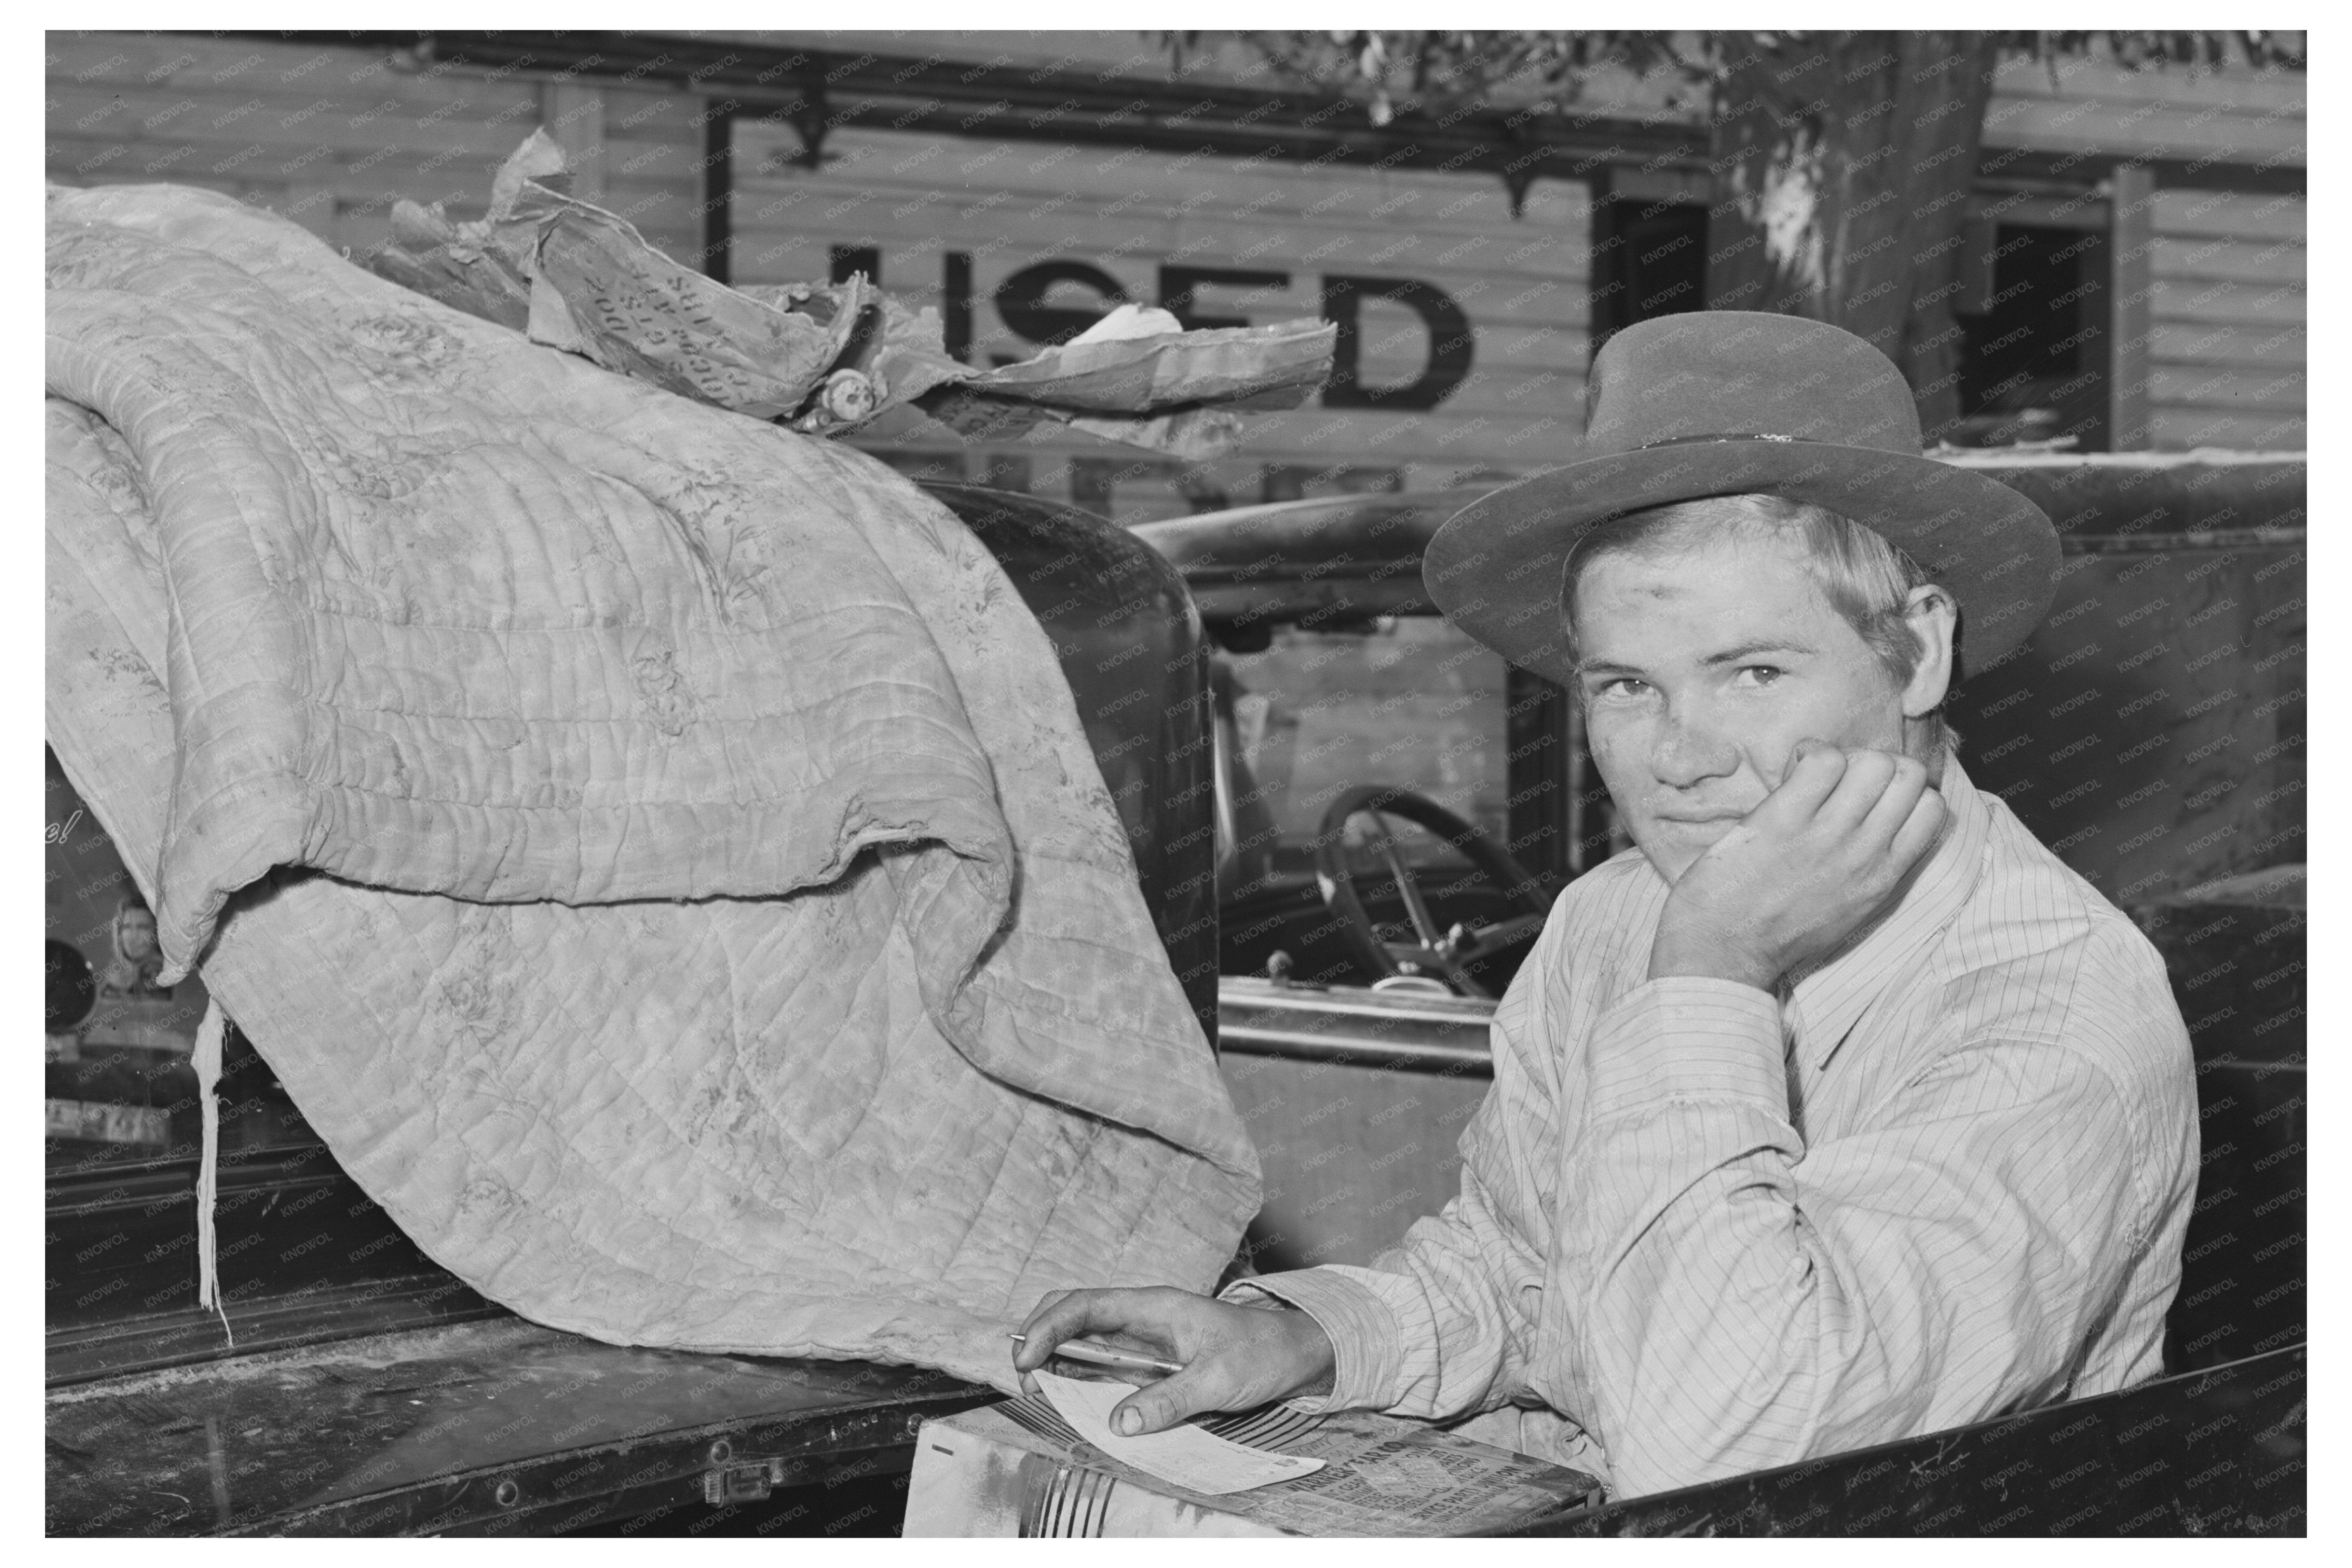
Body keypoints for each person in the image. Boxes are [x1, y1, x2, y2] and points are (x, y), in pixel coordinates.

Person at [1014, 312, 2198, 1499]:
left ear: (1920, 652)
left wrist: (1708, 980)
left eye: (1755, 673)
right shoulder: (1615, 916)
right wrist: (1313, 1336)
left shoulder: (2051, 1007)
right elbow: (1533, 1270)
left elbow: (1730, 1448)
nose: (1679, 758)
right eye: (1628, 686)